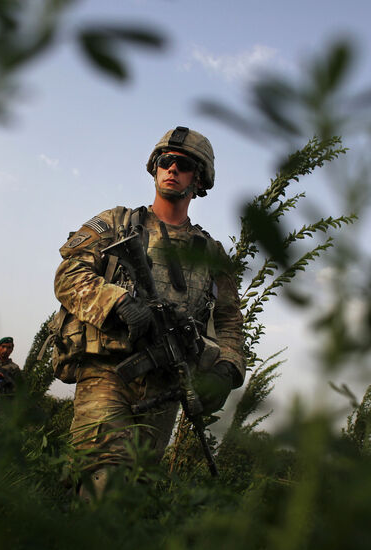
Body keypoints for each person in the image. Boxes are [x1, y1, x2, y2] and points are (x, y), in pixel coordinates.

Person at [52, 126, 245, 499]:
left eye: (183, 164)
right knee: (103, 479)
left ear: (199, 179)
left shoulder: (212, 255)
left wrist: (226, 370)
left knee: (136, 492)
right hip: (108, 370)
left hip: (167, 383)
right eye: (164, 161)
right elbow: (68, 274)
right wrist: (117, 302)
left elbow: (229, 322)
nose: (171, 169)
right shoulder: (116, 223)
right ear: (154, 168)